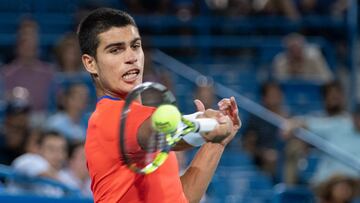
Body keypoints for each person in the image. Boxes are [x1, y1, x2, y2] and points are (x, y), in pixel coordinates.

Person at [77, 8, 240, 203]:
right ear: (90, 63)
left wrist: (216, 143)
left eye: (135, 46)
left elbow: (181, 198)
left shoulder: (140, 125)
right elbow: (156, 130)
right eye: (116, 50)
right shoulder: (109, 118)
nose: (131, 57)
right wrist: (204, 125)